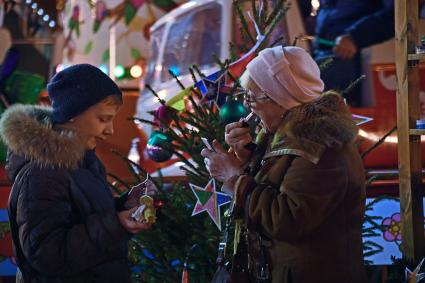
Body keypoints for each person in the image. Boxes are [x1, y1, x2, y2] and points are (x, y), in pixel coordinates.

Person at [201, 46, 366, 283]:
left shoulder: (320, 146)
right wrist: (246, 157)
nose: (248, 106)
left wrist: (233, 177)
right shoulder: (285, 136)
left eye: (251, 97)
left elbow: (287, 219)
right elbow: (278, 181)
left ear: (280, 99)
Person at [0, 64, 151, 283]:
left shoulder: (84, 161)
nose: (110, 130)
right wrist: (117, 224)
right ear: (73, 115)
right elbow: (47, 252)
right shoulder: (43, 172)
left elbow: (83, 214)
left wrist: (124, 206)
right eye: (103, 119)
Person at [313, 0, 394, 107]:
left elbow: (394, 16)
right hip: (325, 51)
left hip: (355, 55)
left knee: (304, 79)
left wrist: (354, 36)